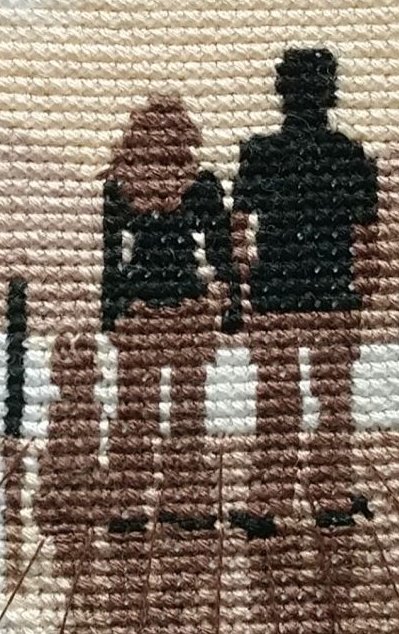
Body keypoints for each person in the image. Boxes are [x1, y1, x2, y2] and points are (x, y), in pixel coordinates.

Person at [231, 48, 378, 537]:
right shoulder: (350, 155)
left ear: (281, 93)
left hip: (274, 291)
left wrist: (241, 279)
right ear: (331, 94)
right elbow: (366, 237)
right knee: (334, 400)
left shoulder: (258, 153)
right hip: (333, 292)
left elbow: (238, 230)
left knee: (277, 401)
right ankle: (331, 497)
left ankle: (266, 504)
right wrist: (364, 285)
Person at [100, 96, 241, 535]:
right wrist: (233, 300)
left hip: (140, 306)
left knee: (135, 412)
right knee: (186, 413)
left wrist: (110, 309)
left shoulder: (121, 185)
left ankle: (127, 503)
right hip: (187, 307)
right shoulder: (201, 184)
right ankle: (186, 501)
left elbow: (111, 260)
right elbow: (219, 252)